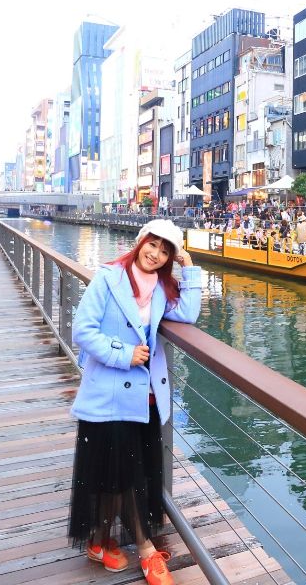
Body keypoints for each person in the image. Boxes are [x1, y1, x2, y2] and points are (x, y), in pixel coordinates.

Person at [68, 219, 199, 583]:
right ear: (140, 241)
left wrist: (191, 269)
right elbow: (82, 330)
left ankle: (99, 542)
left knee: (123, 472)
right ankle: (145, 551)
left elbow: (188, 314)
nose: (155, 254)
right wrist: (123, 353)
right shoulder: (109, 278)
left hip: (145, 397)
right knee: (126, 472)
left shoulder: (161, 287)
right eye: (152, 244)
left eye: (165, 250)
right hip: (109, 391)